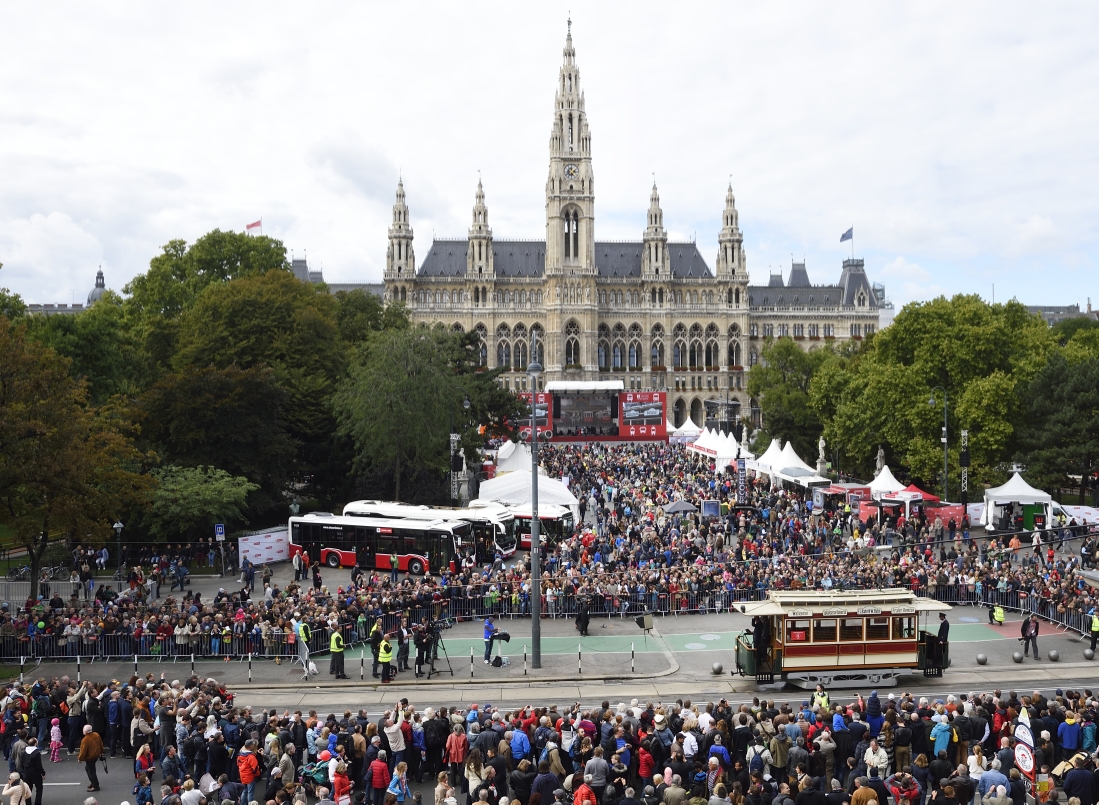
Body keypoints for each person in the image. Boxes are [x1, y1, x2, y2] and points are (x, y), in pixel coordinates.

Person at [77, 724, 103, 792]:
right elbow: (101, 744)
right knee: (89, 769)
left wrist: (80, 758)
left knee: (91, 771)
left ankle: (95, 785)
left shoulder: (85, 740)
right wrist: (101, 752)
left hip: (90, 757)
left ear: (86, 732)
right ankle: (93, 782)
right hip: (96, 755)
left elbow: (83, 751)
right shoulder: (96, 735)